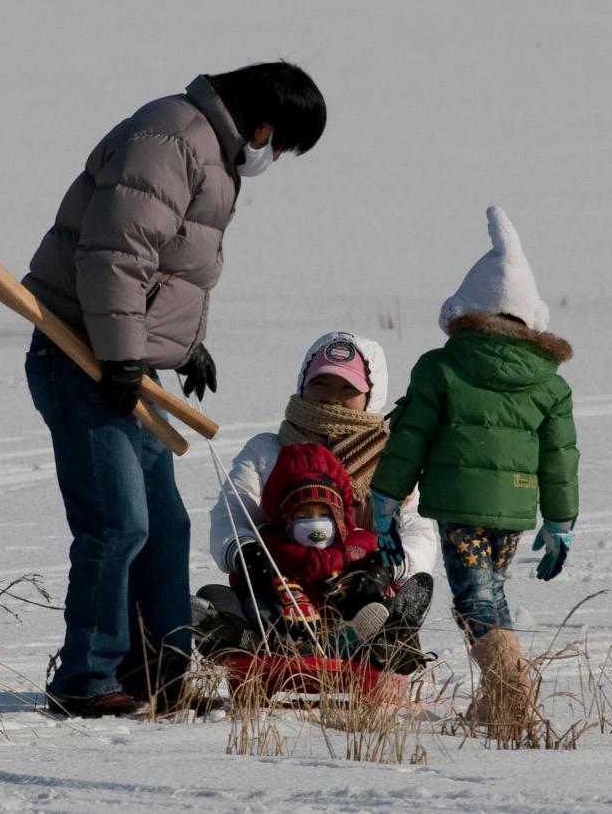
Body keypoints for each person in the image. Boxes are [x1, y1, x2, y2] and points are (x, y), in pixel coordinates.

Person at [22, 62, 326, 718]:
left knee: (165, 524)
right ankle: (85, 676)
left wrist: (182, 347)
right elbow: (114, 254)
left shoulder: (206, 149)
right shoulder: (172, 139)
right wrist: (126, 356)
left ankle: (158, 676)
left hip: (122, 358)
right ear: (264, 124)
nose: (273, 158)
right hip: (79, 355)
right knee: (116, 522)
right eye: (282, 144)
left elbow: (169, 267)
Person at [368, 206, 579, 731]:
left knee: (473, 600)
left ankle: (512, 697)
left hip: (460, 506)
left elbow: (410, 440)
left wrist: (386, 497)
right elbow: (560, 459)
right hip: (514, 508)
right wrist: (560, 521)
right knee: (493, 592)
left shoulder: (440, 367)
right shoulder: (550, 384)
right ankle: (497, 699)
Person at [208, 332, 438, 585]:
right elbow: (231, 513)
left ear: (371, 397)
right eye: (320, 383)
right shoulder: (267, 451)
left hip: (362, 587)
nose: (331, 396)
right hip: (280, 585)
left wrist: (388, 566)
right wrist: (245, 552)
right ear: (303, 385)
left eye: (348, 388)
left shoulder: (390, 460)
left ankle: (379, 621)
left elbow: (416, 528)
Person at [232, 442, 392, 653]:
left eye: (325, 515)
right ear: (287, 521)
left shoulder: (359, 544)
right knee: (252, 604)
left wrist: (378, 571)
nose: (315, 524)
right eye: (303, 516)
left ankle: (388, 641)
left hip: (343, 622)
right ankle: (257, 640)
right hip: (291, 620)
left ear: (339, 518)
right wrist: (263, 578)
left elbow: (384, 563)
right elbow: (241, 578)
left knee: (382, 603)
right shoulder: (272, 546)